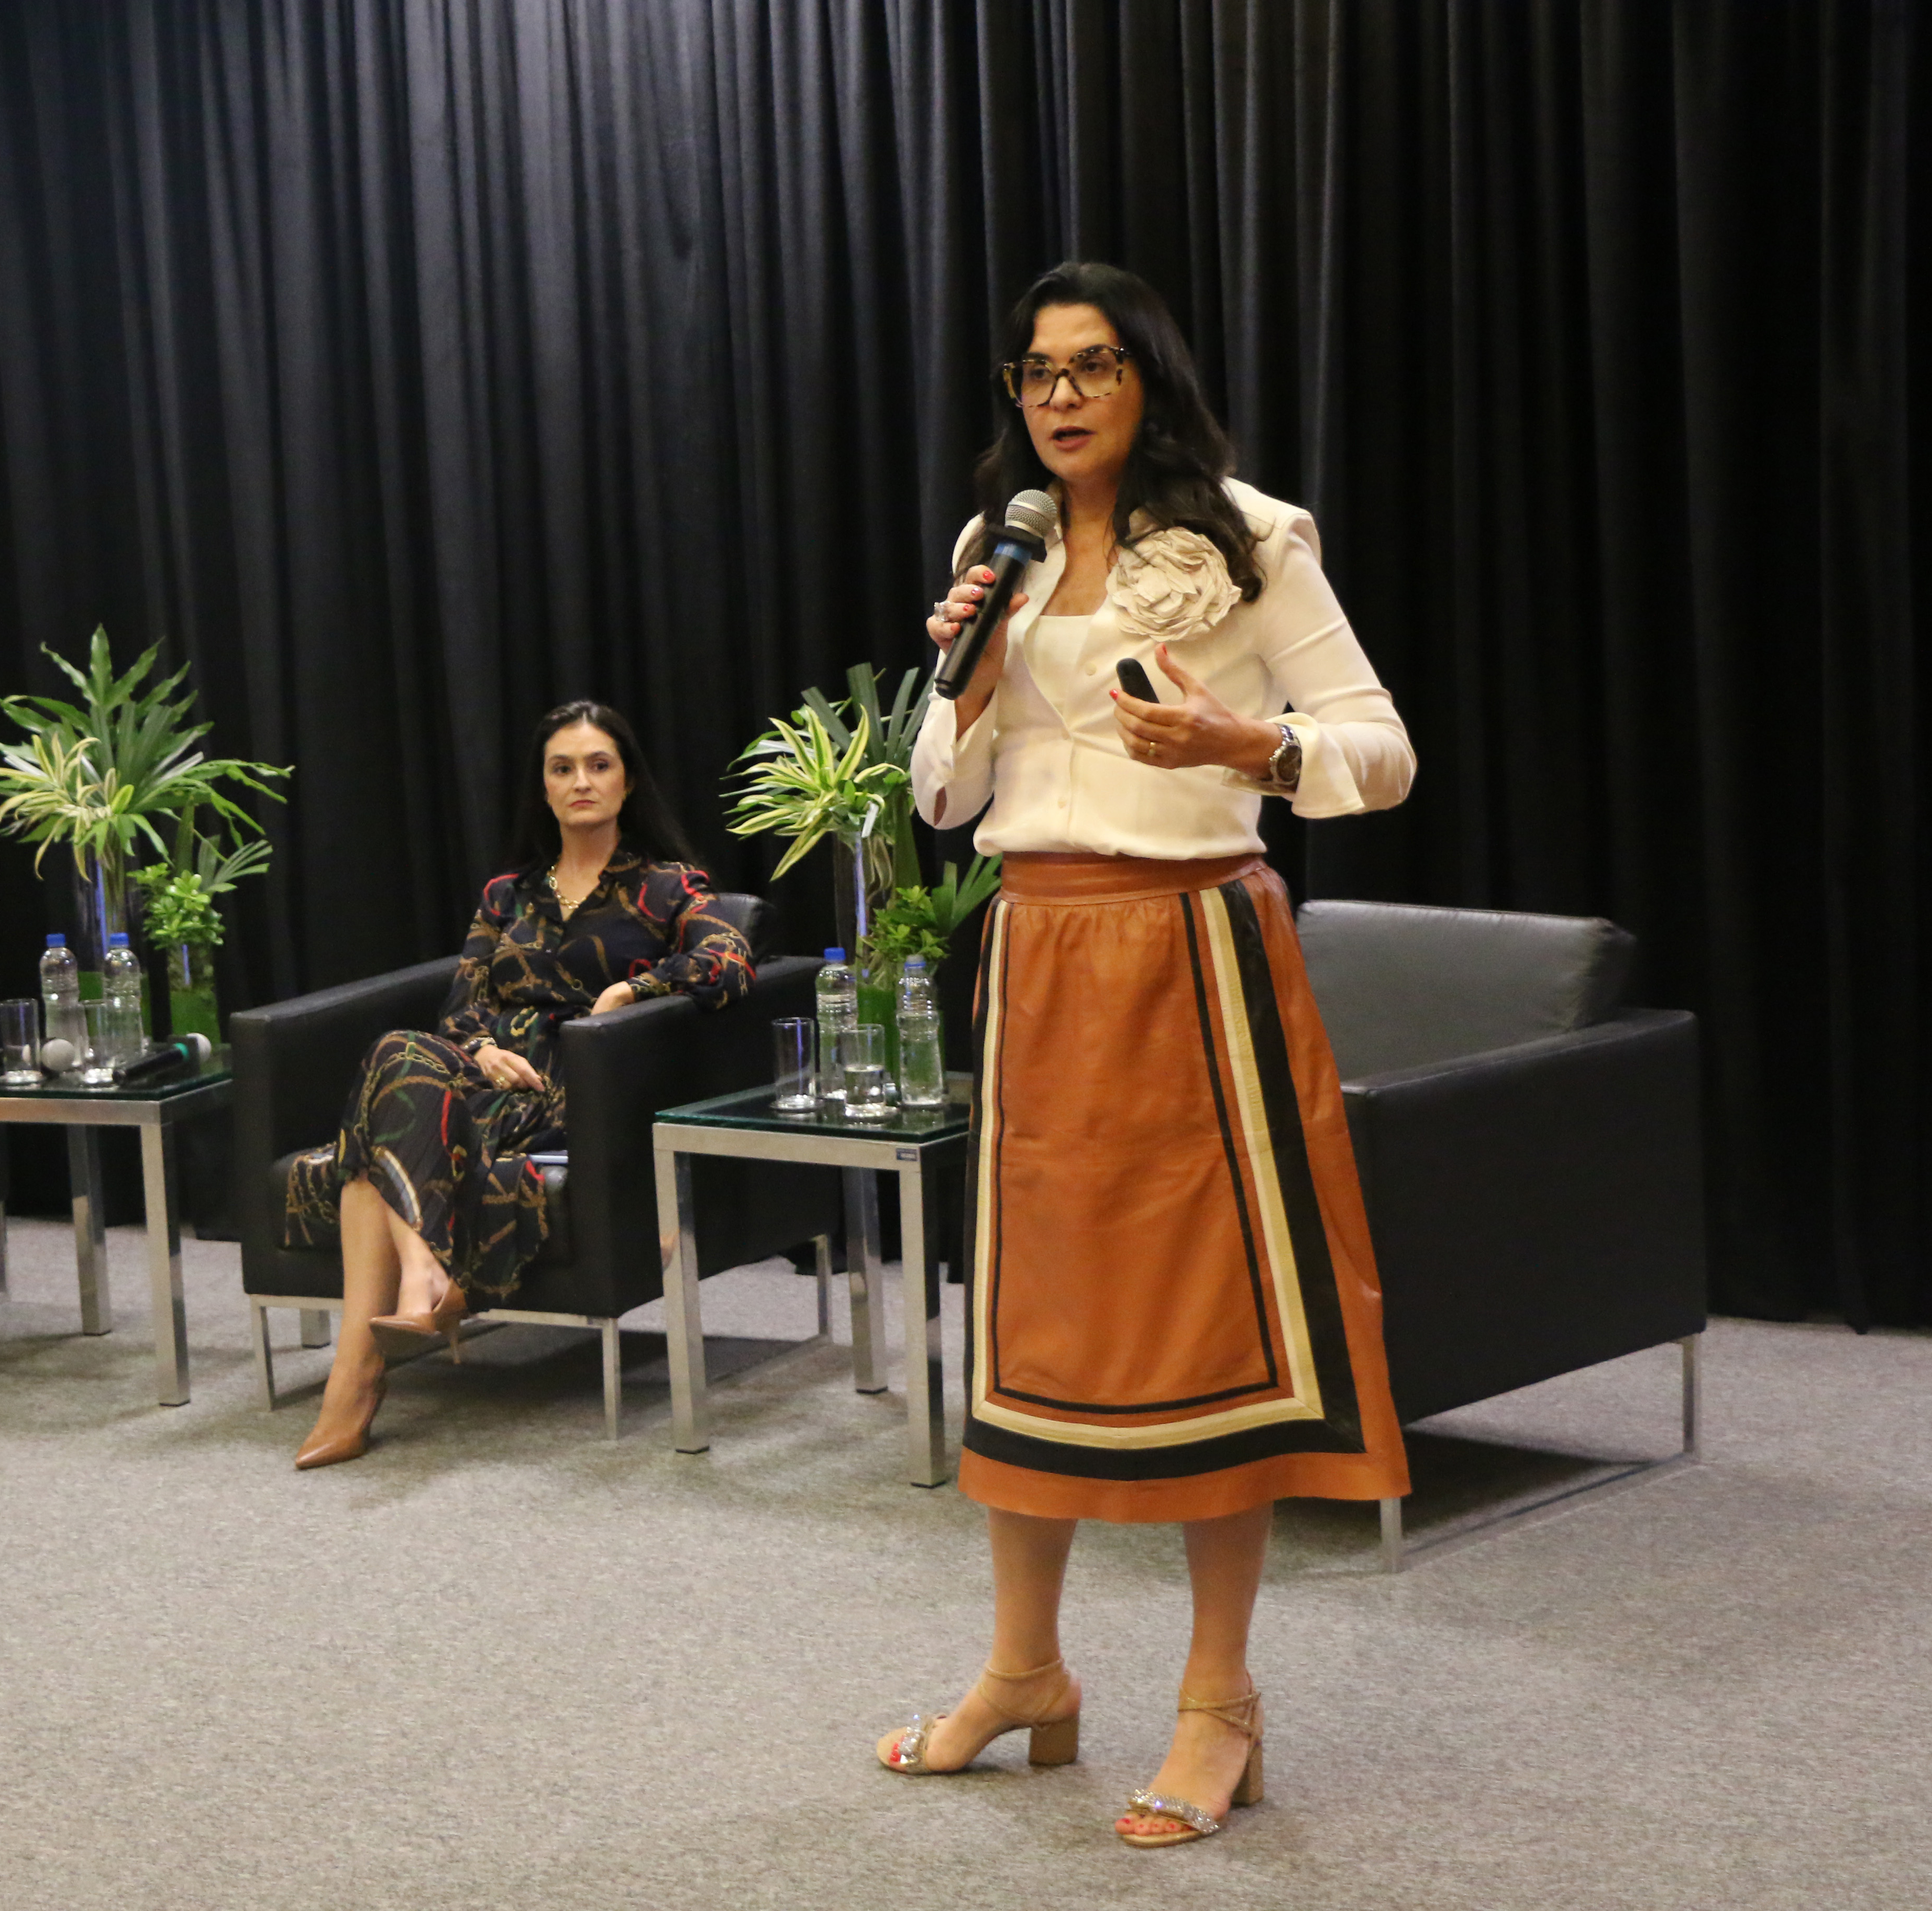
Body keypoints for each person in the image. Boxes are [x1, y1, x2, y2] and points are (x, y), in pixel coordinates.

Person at [876, 262, 1415, 1848]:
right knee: (1034, 1329)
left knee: (1199, 1334)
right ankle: (1027, 1672)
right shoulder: (1003, 551)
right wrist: (964, 672)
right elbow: (941, 803)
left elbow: (1380, 753)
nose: (1057, 397)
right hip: (1038, 953)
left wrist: (1242, 745)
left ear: (1147, 381)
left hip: (1193, 950)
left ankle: (1218, 1703)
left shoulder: (1254, 539)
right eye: (1034, 373)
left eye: (1091, 367)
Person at [284, 700, 753, 1469]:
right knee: (398, 1049)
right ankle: (424, 1275)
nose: (581, 782)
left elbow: (729, 962)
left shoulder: (666, 886)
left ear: (627, 781)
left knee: (369, 1156)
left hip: (578, 1088)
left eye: (599, 765)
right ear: (542, 787)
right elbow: (460, 1008)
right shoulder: (508, 895)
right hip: (488, 1080)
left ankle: (357, 1379)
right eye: (562, 769)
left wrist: (630, 994)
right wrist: (482, 1048)